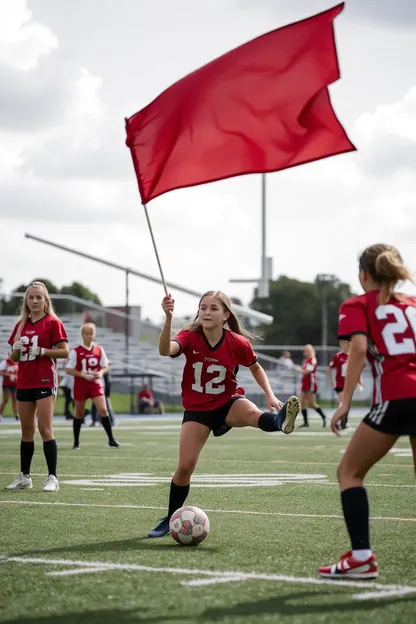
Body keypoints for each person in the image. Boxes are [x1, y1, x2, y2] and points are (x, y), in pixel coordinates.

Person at [147, 290, 301, 538]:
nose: (207, 312)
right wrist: (167, 318)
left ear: (226, 314)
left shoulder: (237, 342)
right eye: (203, 307)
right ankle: (171, 518)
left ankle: (281, 420)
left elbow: (256, 367)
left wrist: (271, 396)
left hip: (227, 402)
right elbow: (166, 350)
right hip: (198, 410)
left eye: (213, 308)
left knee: (252, 413)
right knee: (185, 467)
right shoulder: (189, 335)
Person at [318, 243, 416, 579]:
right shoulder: (413, 303)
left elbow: (357, 347)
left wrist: (344, 402)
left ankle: (361, 557)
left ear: (363, 274)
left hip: (399, 394)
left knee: (349, 472)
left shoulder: (357, 303)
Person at [5, 281, 69, 492]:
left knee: (44, 428)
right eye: (30, 297)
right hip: (24, 380)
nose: (34, 301)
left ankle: (52, 477)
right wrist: (15, 349)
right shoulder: (21, 325)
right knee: (26, 430)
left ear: (45, 300)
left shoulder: (52, 322)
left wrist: (42, 351)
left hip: (45, 380)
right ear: (26, 301)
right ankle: (25, 476)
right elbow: (13, 357)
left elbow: (64, 351)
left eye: (38, 297)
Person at [65, 323, 120, 450]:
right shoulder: (76, 351)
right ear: (82, 335)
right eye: (87, 333)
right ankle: (76, 442)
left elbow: (106, 366)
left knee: (103, 410)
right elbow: (69, 369)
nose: (89, 336)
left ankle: (111, 439)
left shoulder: (99, 349)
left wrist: (100, 372)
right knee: (79, 413)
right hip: (81, 384)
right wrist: (84, 375)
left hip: (95, 384)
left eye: (91, 333)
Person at [328, 341, 363, 430]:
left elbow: (358, 370)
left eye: (345, 343)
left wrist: (359, 383)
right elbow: (330, 368)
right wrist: (332, 382)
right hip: (340, 384)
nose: (343, 345)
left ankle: (344, 423)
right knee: (343, 403)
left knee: (347, 404)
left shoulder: (353, 356)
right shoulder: (337, 356)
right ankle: (340, 423)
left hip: (349, 384)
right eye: (341, 343)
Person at [296, 344, 326, 427]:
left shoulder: (312, 360)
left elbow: (307, 371)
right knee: (302, 403)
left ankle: (323, 416)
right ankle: (306, 422)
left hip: (310, 384)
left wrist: (299, 370)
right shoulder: (305, 360)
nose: (305, 352)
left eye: (307, 350)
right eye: (305, 350)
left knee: (312, 404)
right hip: (305, 384)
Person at [0, 352, 18, 421]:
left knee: (15, 400)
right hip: (7, 385)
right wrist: (9, 375)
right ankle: (0, 414)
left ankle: (16, 415)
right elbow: (0, 372)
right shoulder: (5, 362)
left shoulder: (17, 362)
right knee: (6, 400)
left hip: (15, 384)